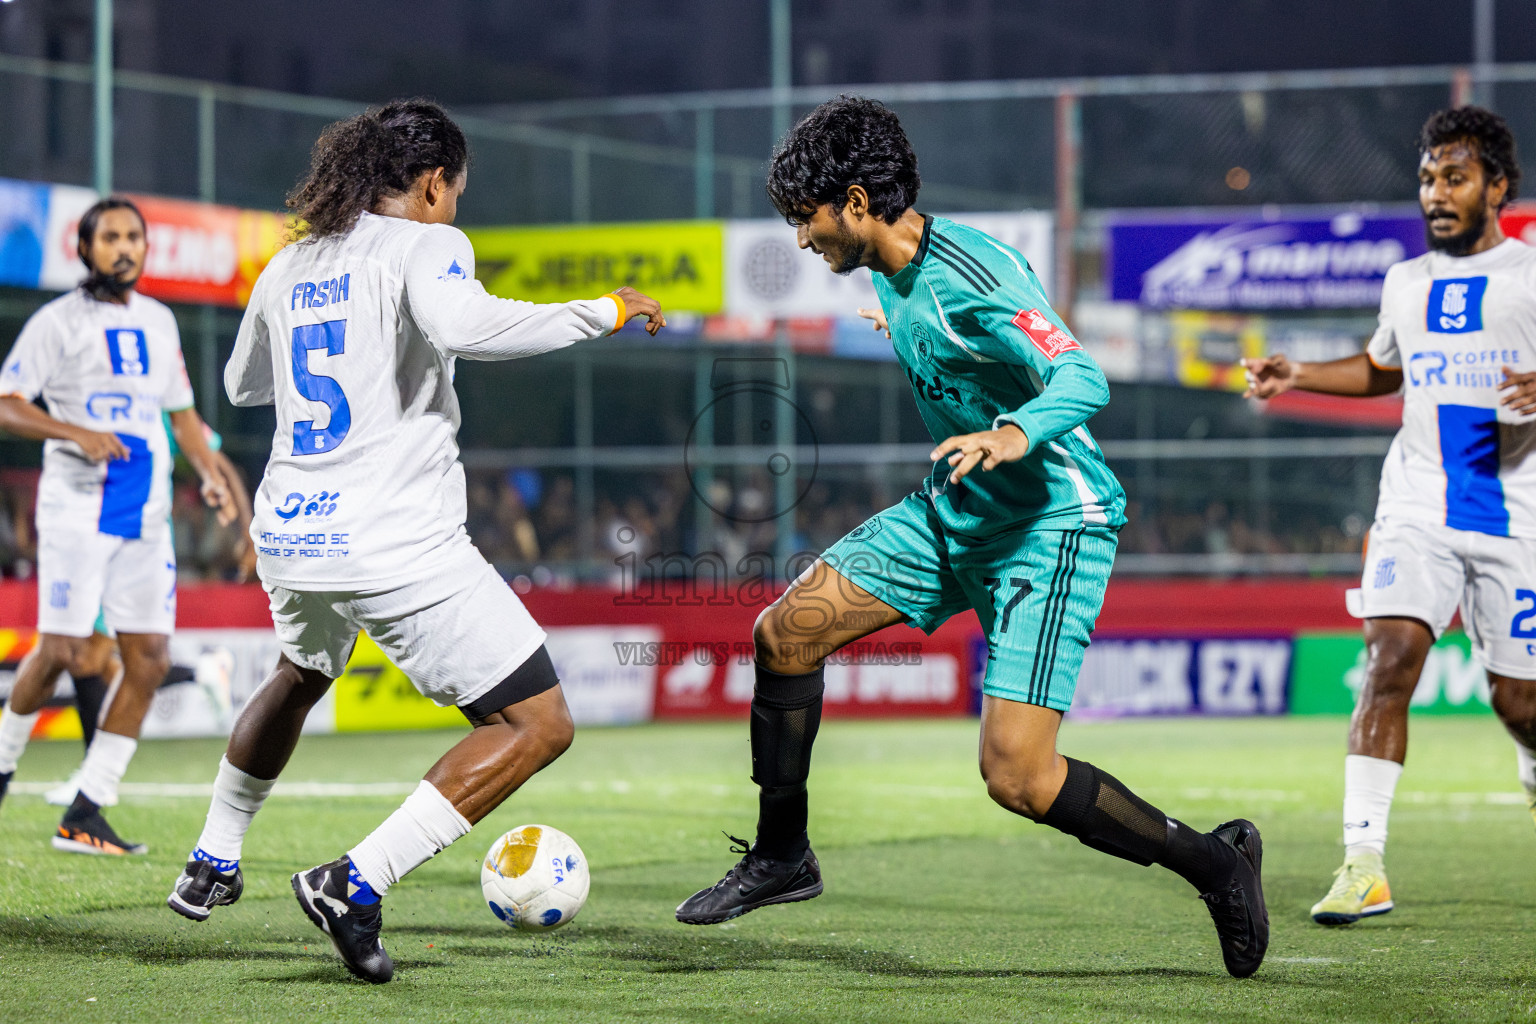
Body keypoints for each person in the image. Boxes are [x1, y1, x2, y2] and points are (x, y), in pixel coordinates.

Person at [675, 96, 1268, 979]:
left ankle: (1216, 865)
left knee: (1019, 779)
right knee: (785, 632)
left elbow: (1081, 374)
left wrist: (1013, 433)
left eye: (808, 220)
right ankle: (782, 855)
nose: (802, 240)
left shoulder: (974, 276)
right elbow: (938, 323)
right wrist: (907, 332)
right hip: (955, 509)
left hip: (1050, 524)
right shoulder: (888, 267)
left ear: (859, 202)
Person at [165, 99, 664, 984]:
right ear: (435, 184)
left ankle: (213, 857)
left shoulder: (288, 263)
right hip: (392, 539)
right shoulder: (428, 245)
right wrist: (605, 310)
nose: (455, 209)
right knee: (537, 721)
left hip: (290, 533)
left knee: (301, 672)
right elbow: (468, 327)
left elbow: (244, 387)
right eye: (456, 194)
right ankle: (355, 882)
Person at [1243, 105, 1536, 926]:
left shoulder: (1532, 277)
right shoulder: (1405, 282)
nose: (1435, 193)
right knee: (1389, 657)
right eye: (1426, 178)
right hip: (1415, 506)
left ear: (1498, 187)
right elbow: (1382, 371)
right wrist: (1296, 371)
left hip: (1514, 514)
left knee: (1520, 704)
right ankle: (1363, 863)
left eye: (1455, 177)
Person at [0, 197, 238, 854]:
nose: (124, 248)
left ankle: (87, 809)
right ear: (84, 247)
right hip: (78, 509)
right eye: (110, 237)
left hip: (147, 516)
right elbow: (7, 404)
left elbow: (184, 415)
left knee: (150, 659)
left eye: (134, 237)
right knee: (60, 653)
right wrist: (72, 430)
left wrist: (208, 473)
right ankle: (1, 765)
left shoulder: (161, 321)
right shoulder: (58, 321)